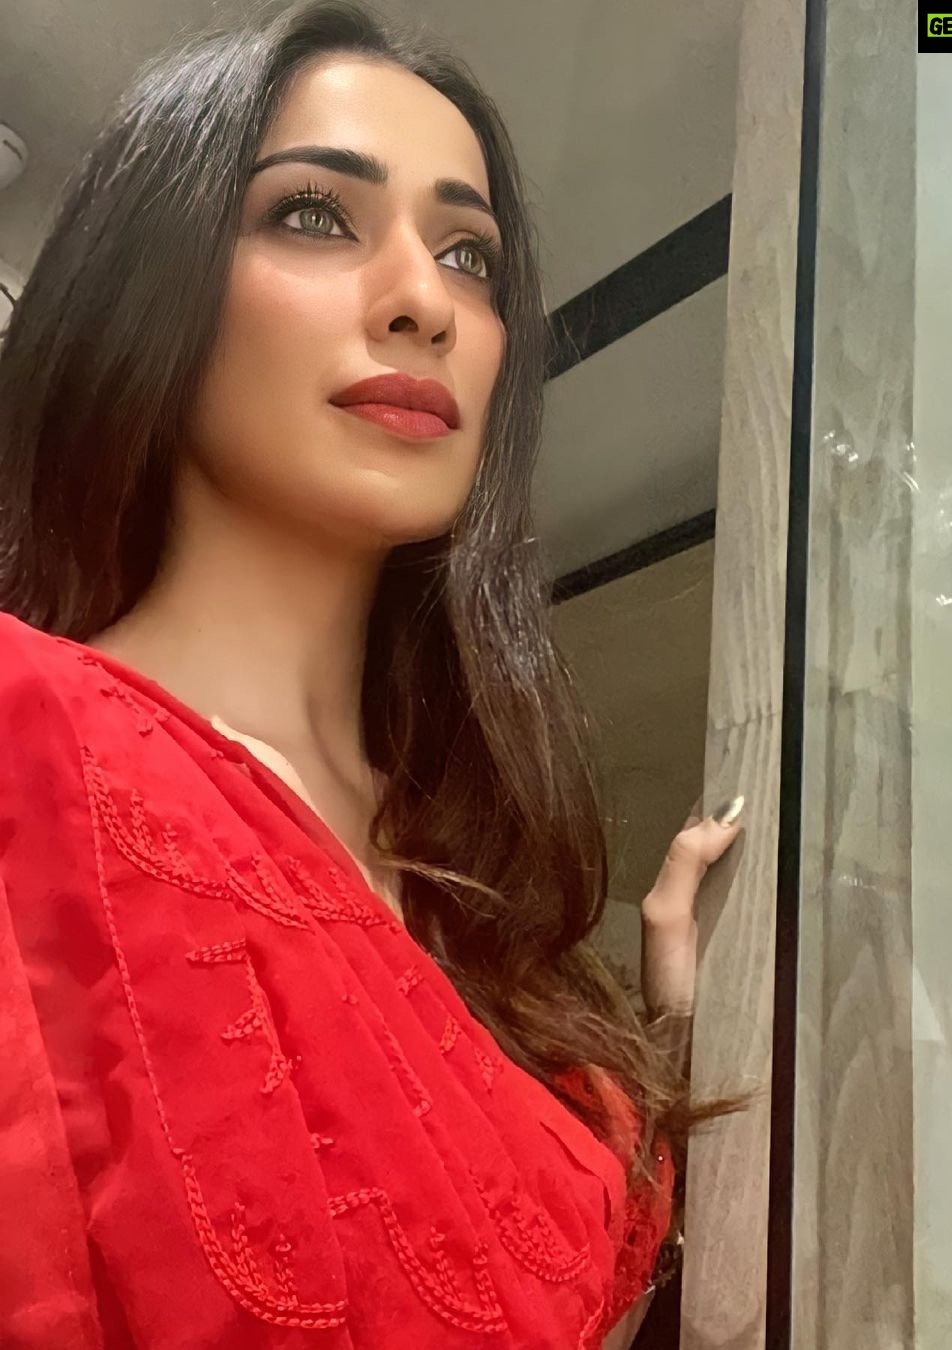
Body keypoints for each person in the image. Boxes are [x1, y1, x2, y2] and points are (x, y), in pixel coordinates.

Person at [0, 3, 744, 1345]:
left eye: (469, 255)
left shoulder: (472, 886)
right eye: (313, 215)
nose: (424, 301)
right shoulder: (25, 745)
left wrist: (681, 1006)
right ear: (147, 279)